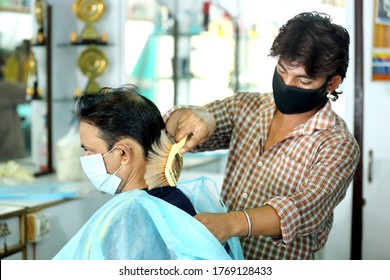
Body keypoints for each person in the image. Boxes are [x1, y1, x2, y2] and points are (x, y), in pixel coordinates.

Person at [164, 11, 360, 260]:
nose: (287, 83)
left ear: (331, 83)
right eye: (282, 71)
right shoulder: (247, 107)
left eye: (303, 81)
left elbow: (303, 209)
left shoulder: (338, 144)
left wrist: (232, 224)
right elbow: (172, 126)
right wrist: (201, 117)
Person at [53, 84, 243, 260]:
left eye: (89, 150)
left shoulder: (126, 218)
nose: (85, 157)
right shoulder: (178, 200)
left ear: (123, 154)